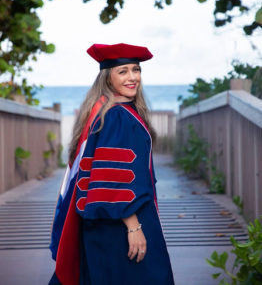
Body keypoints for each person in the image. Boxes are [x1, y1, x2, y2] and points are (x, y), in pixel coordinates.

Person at [49, 43, 175, 285]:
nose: (132, 78)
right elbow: (114, 178)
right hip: (123, 223)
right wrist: (134, 227)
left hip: (110, 221)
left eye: (136, 70)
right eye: (123, 71)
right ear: (108, 78)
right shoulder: (117, 116)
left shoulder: (108, 110)